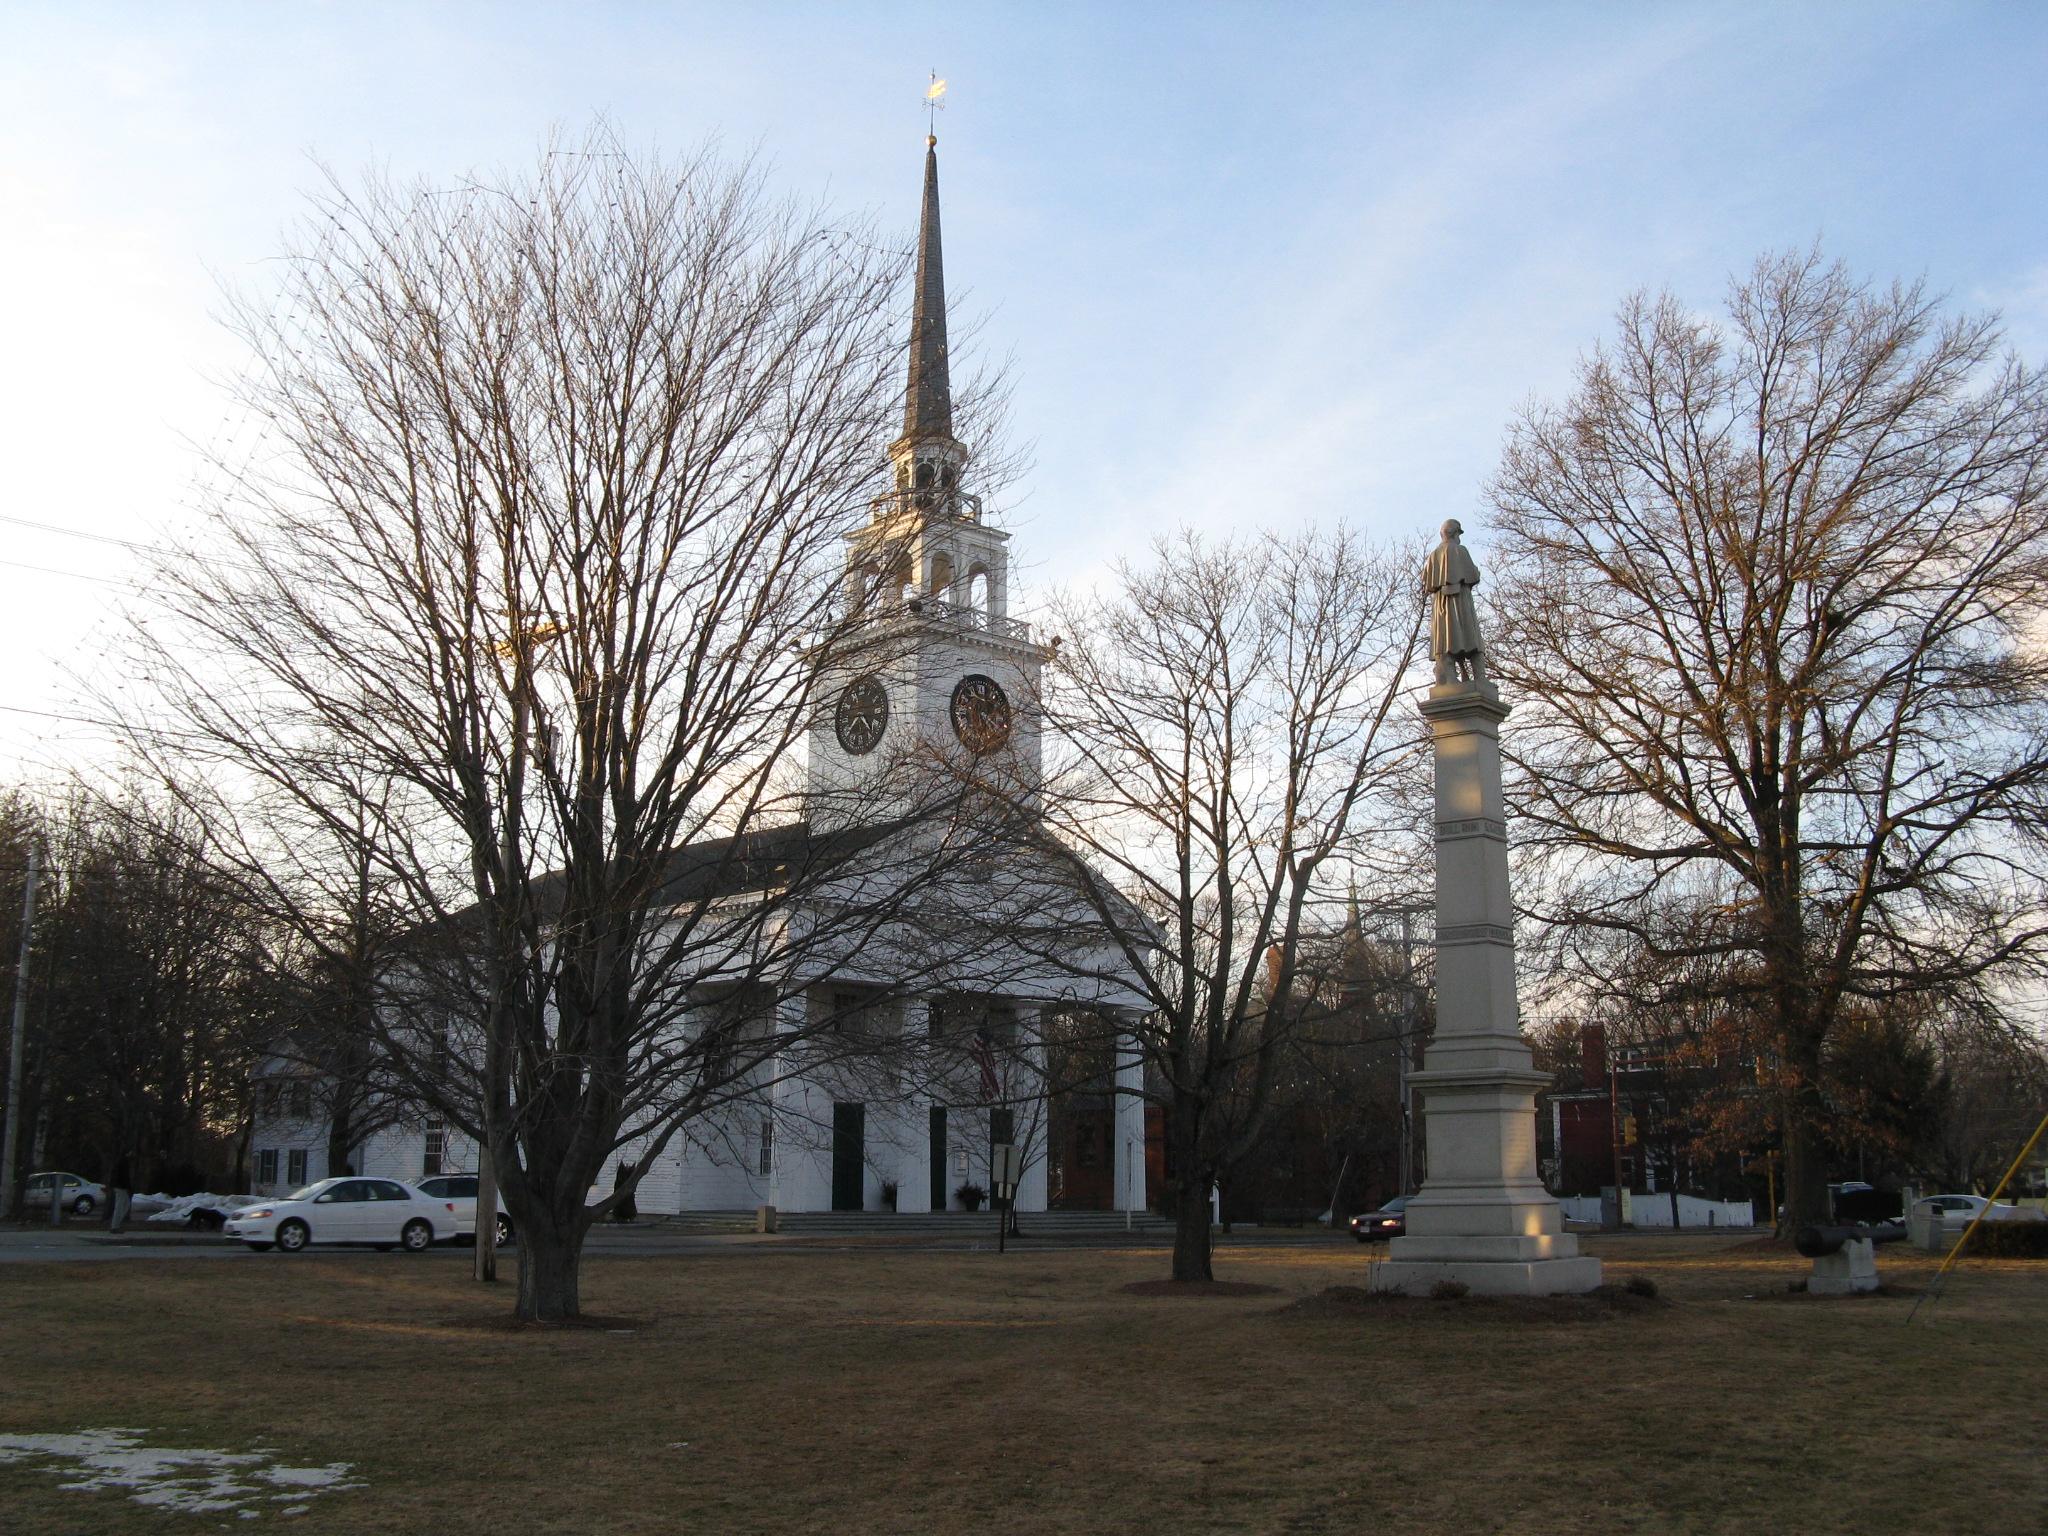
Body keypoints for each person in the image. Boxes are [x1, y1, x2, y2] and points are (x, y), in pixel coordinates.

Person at [1423, 519, 1486, 684]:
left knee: (1444, 641)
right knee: (1471, 638)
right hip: (1461, 604)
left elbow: (1428, 582)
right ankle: (1480, 677)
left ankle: (1449, 678)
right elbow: (1472, 575)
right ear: (1455, 533)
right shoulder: (1460, 550)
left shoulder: (1432, 557)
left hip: (1441, 608)